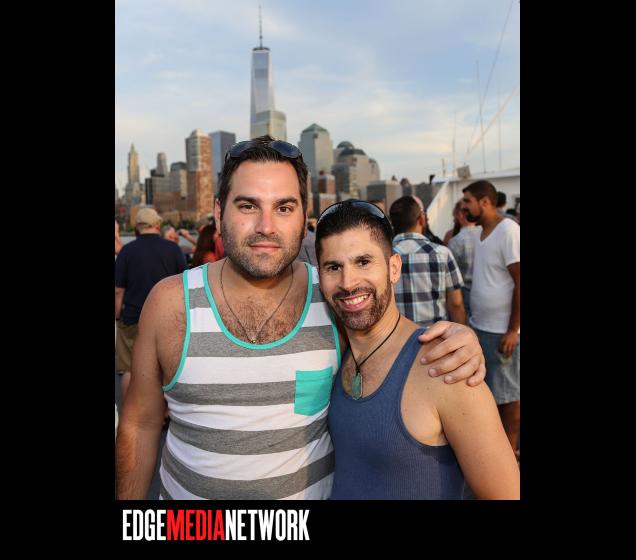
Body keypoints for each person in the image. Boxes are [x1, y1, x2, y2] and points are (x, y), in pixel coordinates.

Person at [115, 136, 486, 500]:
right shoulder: (170, 304)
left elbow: (394, 346)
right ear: (219, 211)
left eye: (284, 207)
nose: (266, 226)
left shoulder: (334, 296)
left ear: (303, 218)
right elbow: (140, 424)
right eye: (248, 205)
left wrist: (459, 340)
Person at [315, 200, 519, 499]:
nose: (348, 282)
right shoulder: (333, 353)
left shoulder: (445, 365)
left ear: (393, 268)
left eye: (363, 262)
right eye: (334, 267)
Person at [463, 181, 520, 461]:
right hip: (482, 328)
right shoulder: (480, 233)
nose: (464, 207)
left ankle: (509, 457)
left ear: (485, 201)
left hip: (501, 333)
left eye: (468, 201)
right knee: (493, 395)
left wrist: (513, 330)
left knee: (509, 397)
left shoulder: (508, 230)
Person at [115, 208, 188, 403]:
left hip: (133, 316)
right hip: (168, 318)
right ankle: (163, 413)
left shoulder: (127, 251)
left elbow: (118, 290)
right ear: (157, 224)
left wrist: (118, 316)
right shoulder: (173, 249)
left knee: (129, 369)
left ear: (137, 227)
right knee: (165, 368)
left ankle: (128, 411)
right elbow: (185, 283)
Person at [390, 196, 466, 327]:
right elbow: (456, 304)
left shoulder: (383, 256)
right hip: (435, 334)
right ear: (421, 219)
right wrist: (461, 331)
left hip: (397, 336)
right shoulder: (442, 253)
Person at [448, 199, 481, 319]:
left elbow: (451, 274)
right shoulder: (486, 234)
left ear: (460, 215)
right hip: (487, 291)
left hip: (466, 292)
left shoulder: (456, 241)